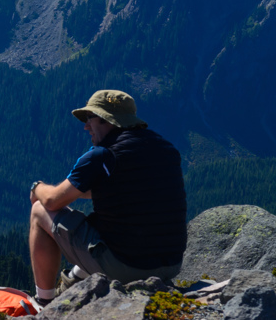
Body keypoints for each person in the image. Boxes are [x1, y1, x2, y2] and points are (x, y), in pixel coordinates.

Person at [28, 90, 187, 305]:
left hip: (128, 268)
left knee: (40, 211)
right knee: (101, 230)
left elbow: (51, 201)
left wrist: (37, 187)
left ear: (105, 120)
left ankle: (43, 302)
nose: (85, 126)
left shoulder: (103, 155)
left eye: (88, 119)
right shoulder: (165, 149)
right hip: (171, 264)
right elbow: (120, 191)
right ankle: (73, 281)